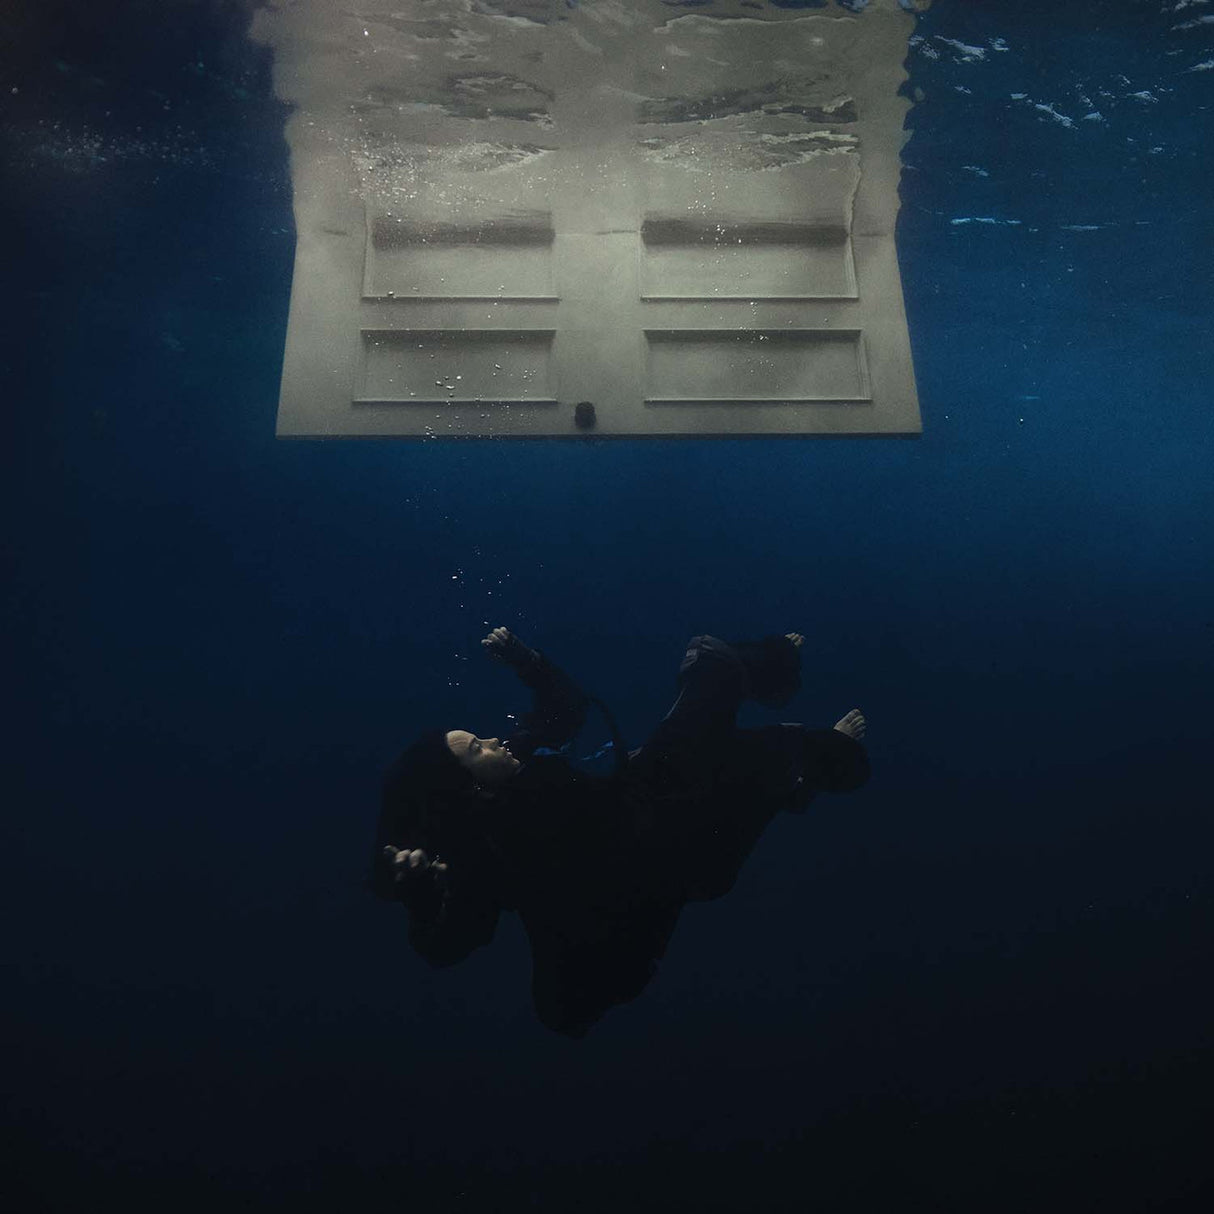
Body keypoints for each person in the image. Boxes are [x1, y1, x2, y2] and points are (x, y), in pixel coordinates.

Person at [371, 627, 869, 1038]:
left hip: (654, 802)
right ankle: (803, 770)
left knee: (711, 667)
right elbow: (449, 945)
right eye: (476, 748)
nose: (494, 739)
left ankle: (792, 755)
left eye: (478, 736)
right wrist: (419, 899)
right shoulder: (491, 852)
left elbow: (566, 710)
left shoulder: (516, 762)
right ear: (471, 791)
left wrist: (526, 660)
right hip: (662, 864)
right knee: (734, 744)